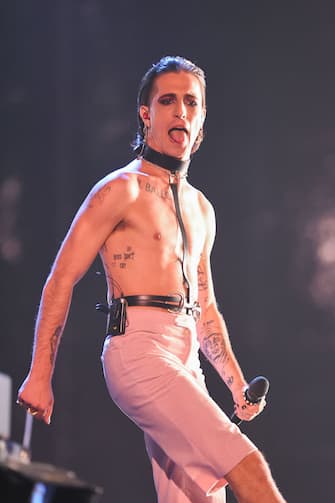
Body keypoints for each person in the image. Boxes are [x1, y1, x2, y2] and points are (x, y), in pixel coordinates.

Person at [17, 56, 287, 503]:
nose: (181, 110)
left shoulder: (202, 208)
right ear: (147, 113)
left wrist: (236, 384)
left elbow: (206, 308)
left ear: (201, 116)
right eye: (169, 100)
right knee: (249, 467)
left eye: (191, 102)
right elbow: (61, 279)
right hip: (138, 351)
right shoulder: (119, 189)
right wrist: (40, 374)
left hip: (186, 358)